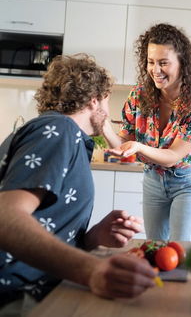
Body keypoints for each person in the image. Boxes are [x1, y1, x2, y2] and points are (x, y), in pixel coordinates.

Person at [0, 54, 156, 313]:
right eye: (107, 101)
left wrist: (93, 237)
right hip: (16, 293)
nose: (107, 112)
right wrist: (91, 269)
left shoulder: (64, 136)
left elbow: (43, 224)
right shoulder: (59, 129)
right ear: (94, 100)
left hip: (40, 284)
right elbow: (5, 216)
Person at [103, 23, 191, 242]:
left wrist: (138, 147)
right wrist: (104, 125)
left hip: (187, 182)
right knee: (155, 248)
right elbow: (124, 145)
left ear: (182, 63)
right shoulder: (138, 95)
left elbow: (173, 157)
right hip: (153, 180)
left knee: (180, 250)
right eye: (151, 62)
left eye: (163, 63)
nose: (156, 70)